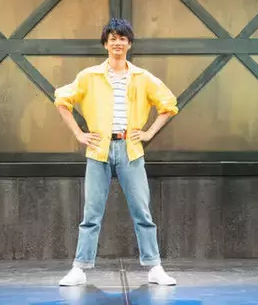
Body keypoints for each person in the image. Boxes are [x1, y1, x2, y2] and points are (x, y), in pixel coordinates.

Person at [54, 18, 178, 286]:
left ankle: (154, 266)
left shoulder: (142, 77)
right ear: (105, 44)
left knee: (142, 211)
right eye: (112, 39)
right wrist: (79, 134)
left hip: (130, 150)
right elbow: (62, 100)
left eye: (122, 39)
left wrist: (149, 132)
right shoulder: (89, 76)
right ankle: (79, 268)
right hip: (98, 149)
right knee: (91, 213)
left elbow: (168, 104)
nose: (117, 43)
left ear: (129, 44)